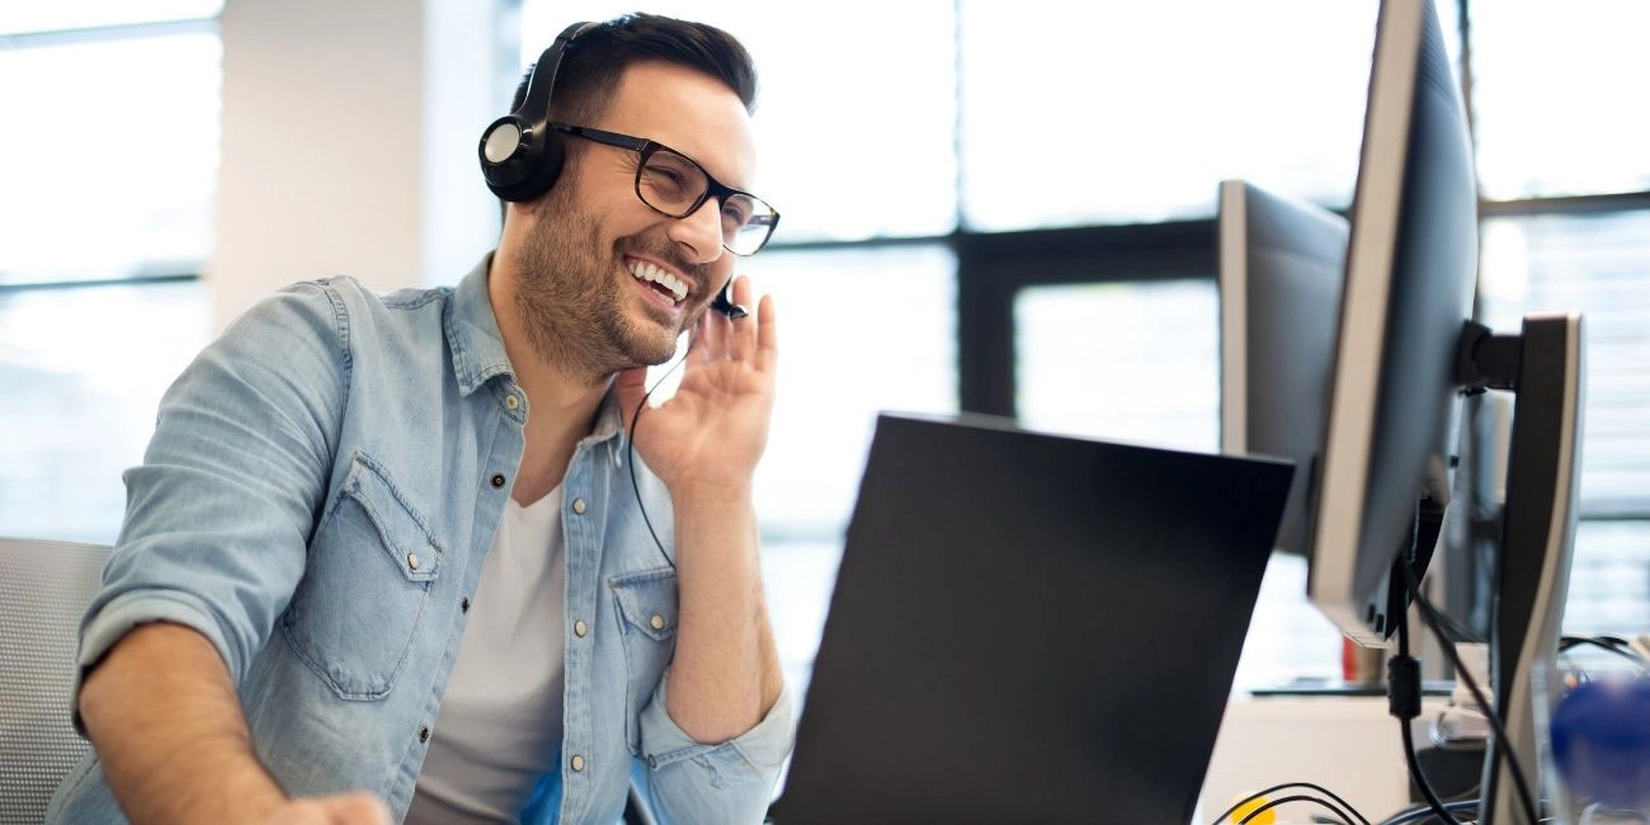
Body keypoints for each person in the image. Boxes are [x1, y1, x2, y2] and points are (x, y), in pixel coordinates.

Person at [48, 13, 792, 825]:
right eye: (668, 176)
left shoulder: (672, 478)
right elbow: (158, 637)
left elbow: (713, 810)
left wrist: (717, 491)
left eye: (730, 211)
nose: (700, 238)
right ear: (529, 163)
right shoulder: (322, 354)